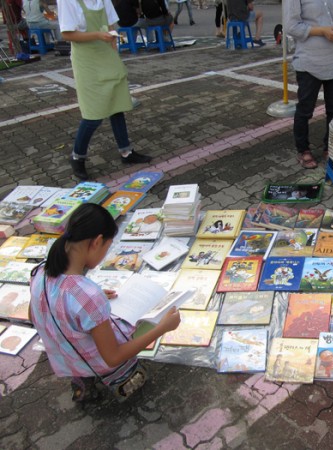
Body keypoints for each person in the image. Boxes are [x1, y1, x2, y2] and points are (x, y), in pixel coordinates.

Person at [29, 204, 181, 402]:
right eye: (108, 248)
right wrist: (163, 328)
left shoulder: (40, 272)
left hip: (63, 355)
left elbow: (34, 316)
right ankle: (122, 376)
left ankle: (82, 380)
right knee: (135, 327)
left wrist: (83, 304)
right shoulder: (89, 296)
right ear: (97, 242)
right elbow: (113, 357)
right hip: (94, 360)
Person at [58, 0, 152, 181]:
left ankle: (126, 151)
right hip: (87, 61)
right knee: (93, 114)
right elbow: (67, 34)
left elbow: (110, 26)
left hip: (107, 55)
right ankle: (77, 157)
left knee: (117, 106)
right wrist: (98, 35)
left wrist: (113, 51)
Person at [285, 0, 333, 169]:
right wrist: (322, 31)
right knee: (305, 109)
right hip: (309, 61)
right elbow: (291, 26)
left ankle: (331, 146)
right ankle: (303, 149)